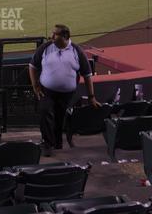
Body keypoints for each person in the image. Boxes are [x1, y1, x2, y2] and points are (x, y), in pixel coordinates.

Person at [29, 24, 100, 157]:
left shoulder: (76, 51)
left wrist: (91, 96)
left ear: (65, 36)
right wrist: (35, 86)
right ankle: (47, 144)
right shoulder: (45, 48)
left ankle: (56, 142)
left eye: (55, 34)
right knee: (45, 111)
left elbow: (87, 75)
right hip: (46, 91)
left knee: (59, 116)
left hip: (67, 94)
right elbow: (32, 66)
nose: (51, 36)